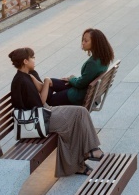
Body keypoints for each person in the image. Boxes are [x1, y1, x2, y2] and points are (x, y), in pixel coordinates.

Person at [8, 47, 104, 177]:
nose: (34, 60)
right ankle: (82, 160)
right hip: (38, 119)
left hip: (45, 112)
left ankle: (90, 152)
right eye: (32, 58)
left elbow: (43, 92)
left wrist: (44, 82)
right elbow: (40, 103)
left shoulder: (30, 74)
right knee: (74, 119)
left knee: (81, 112)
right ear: (25, 61)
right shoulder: (21, 81)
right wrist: (46, 82)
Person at [46, 29, 115, 107]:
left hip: (78, 95)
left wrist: (72, 79)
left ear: (95, 43)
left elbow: (80, 84)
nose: (83, 43)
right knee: (50, 82)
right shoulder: (103, 58)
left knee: (48, 100)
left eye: (86, 41)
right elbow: (86, 79)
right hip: (84, 91)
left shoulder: (93, 63)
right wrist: (72, 80)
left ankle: (41, 107)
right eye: (83, 40)